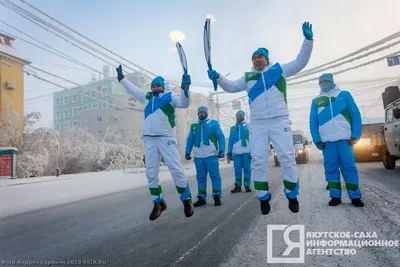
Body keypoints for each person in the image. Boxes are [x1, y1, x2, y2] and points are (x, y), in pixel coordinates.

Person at [207, 22, 314, 215]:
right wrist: (219, 77)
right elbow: (230, 86)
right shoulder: (248, 78)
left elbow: (300, 62)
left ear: (267, 59)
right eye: (254, 58)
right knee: (257, 159)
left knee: (287, 157)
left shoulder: (279, 70)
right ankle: (263, 198)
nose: (257, 60)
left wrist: (308, 40)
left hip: (279, 119)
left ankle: (292, 195)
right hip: (257, 123)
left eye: (260, 57)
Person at [116, 65, 195, 221]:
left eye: (158, 85)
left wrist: (186, 88)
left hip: (166, 139)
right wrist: (122, 79)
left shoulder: (170, 97)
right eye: (153, 86)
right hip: (149, 139)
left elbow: (185, 103)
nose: (155, 88)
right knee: (151, 173)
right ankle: (158, 203)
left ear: (163, 86)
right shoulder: (147, 97)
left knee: (176, 170)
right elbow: (134, 89)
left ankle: (186, 200)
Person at [309, 73, 364, 207]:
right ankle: (335, 196)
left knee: (349, 168)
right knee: (331, 169)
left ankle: (355, 197)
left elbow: (355, 115)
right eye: (321, 82)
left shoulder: (344, 95)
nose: (323, 84)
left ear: (332, 81)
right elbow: (313, 122)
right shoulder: (316, 101)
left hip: (345, 139)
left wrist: (355, 135)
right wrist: (317, 140)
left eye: (326, 81)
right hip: (327, 142)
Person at [185, 106, 225, 207]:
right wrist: (187, 152)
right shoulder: (194, 126)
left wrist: (221, 150)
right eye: (200, 112)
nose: (201, 114)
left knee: (215, 176)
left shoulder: (213, 123)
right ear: (198, 114)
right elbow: (190, 139)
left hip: (211, 155)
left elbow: (220, 137)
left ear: (206, 113)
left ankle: (217, 196)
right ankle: (201, 198)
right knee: (200, 178)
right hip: (199, 157)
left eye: (203, 112)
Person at [227, 110, 252, 193]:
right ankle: (238, 186)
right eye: (237, 116)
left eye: (240, 115)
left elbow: (252, 139)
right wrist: (229, 152)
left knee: (247, 169)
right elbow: (230, 141)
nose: (238, 117)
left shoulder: (248, 126)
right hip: (236, 153)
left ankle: (247, 185)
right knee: (237, 170)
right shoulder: (233, 128)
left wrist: (252, 151)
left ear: (243, 116)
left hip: (246, 152)